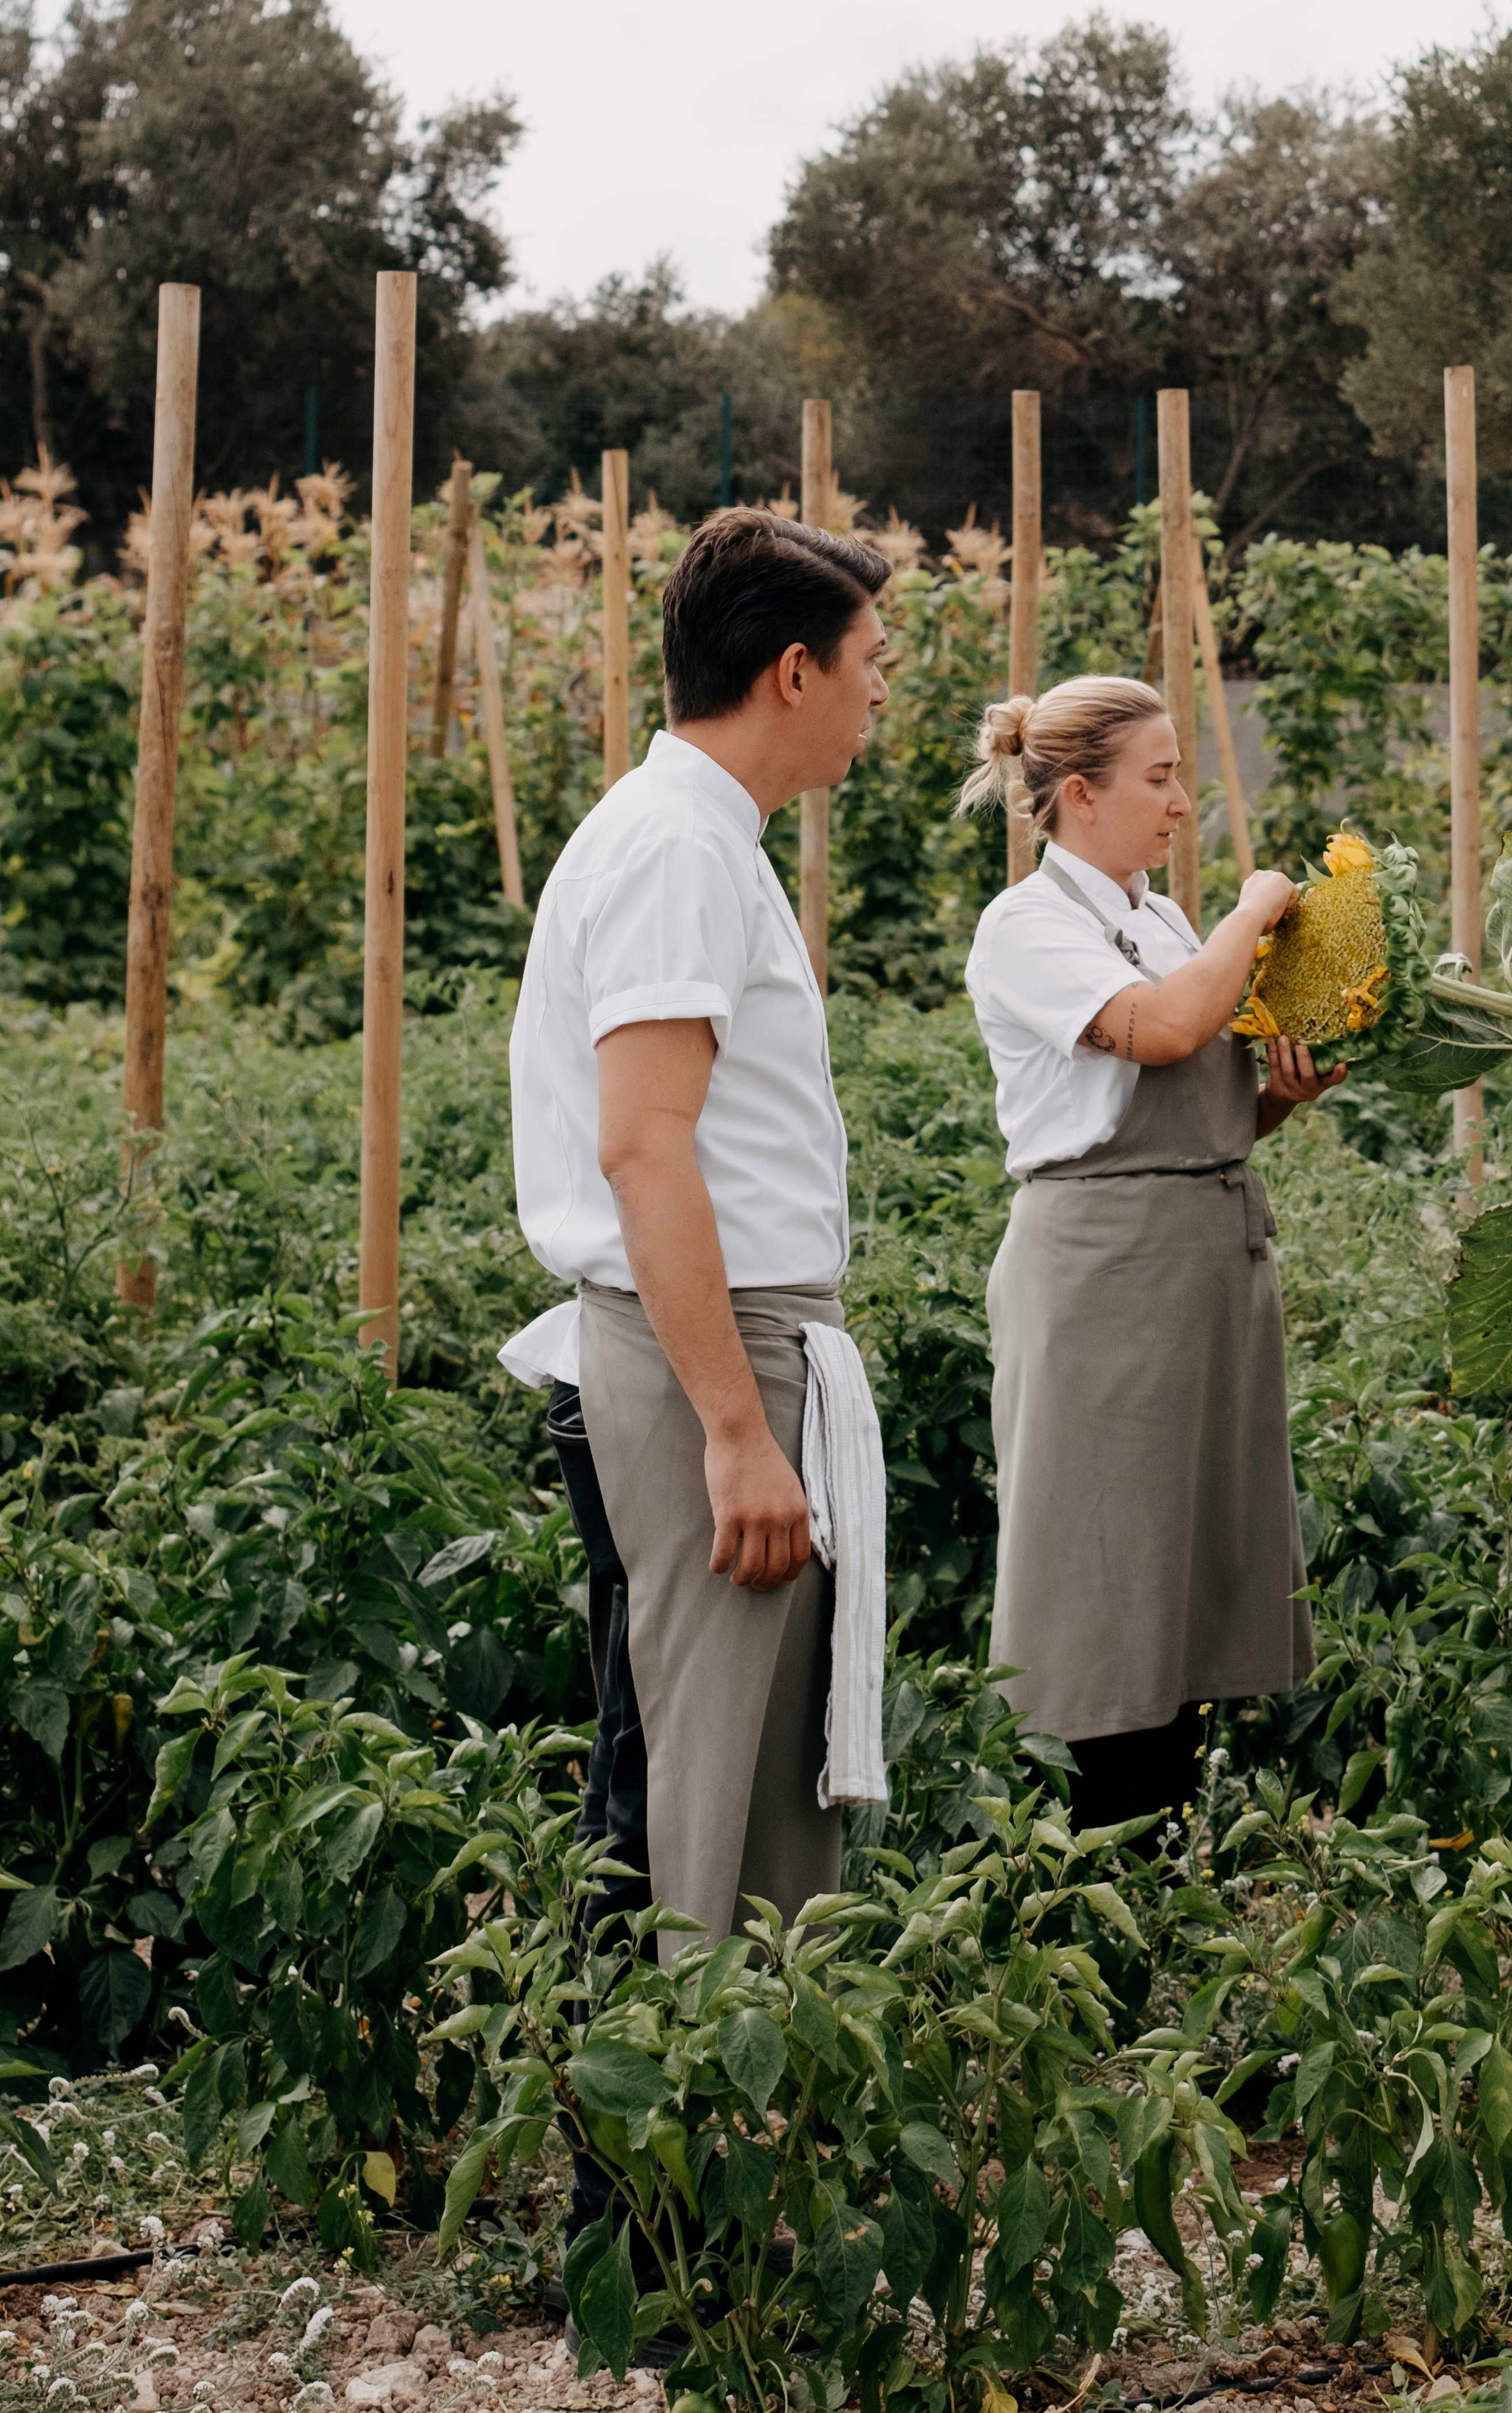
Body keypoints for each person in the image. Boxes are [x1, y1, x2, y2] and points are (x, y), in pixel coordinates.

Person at [504, 504, 896, 1944]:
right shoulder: (674, 849)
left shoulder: (697, 836)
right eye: (868, 662)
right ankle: (662, 2153)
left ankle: (717, 2134)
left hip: (733, 1343)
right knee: (697, 1780)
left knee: (712, 1765)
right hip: (708, 1355)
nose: (877, 695)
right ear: (793, 673)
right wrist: (735, 1428)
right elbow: (644, 1146)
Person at [958, 676, 1340, 1836]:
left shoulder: (1156, 921)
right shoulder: (1026, 928)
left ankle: (1158, 1881)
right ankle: (1098, 1881)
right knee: (1105, 1593)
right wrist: (1257, 911)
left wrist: (1280, 1098)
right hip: (1102, 1280)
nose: (1182, 802)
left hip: (1201, 1265)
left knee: (1175, 1591)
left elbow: (1199, 1105)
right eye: (1159, 777)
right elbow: (1166, 1031)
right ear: (1080, 794)